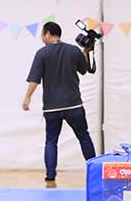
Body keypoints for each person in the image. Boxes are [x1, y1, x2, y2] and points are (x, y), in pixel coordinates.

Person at [23, 22, 97, 187]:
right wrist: (86, 52)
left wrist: (27, 98)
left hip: (51, 107)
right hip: (74, 105)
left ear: (48, 34)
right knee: (84, 137)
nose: (43, 38)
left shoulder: (42, 54)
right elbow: (84, 70)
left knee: (51, 141)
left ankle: (50, 175)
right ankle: (94, 170)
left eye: (43, 34)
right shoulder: (73, 50)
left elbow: (35, 79)